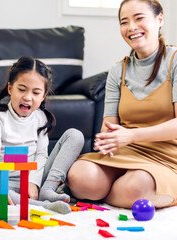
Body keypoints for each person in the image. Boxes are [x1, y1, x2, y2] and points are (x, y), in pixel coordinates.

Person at [67, 0, 177, 209]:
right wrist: (106, 139)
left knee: (135, 188)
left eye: (139, 18)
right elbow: (109, 125)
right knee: (80, 177)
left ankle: (112, 193)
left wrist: (131, 135)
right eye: (124, 22)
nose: (131, 27)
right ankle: (116, 191)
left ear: (159, 18)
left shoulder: (175, 61)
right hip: (126, 151)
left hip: (169, 157)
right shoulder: (118, 71)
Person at [0, 56, 84, 214]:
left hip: (36, 179)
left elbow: (41, 155)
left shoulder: (41, 118)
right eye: (22, 89)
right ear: (10, 88)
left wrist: (34, 182)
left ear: (43, 96)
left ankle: (47, 190)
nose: (27, 97)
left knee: (75, 135)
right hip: (6, 182)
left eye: (36, 92)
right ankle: (42, 205)